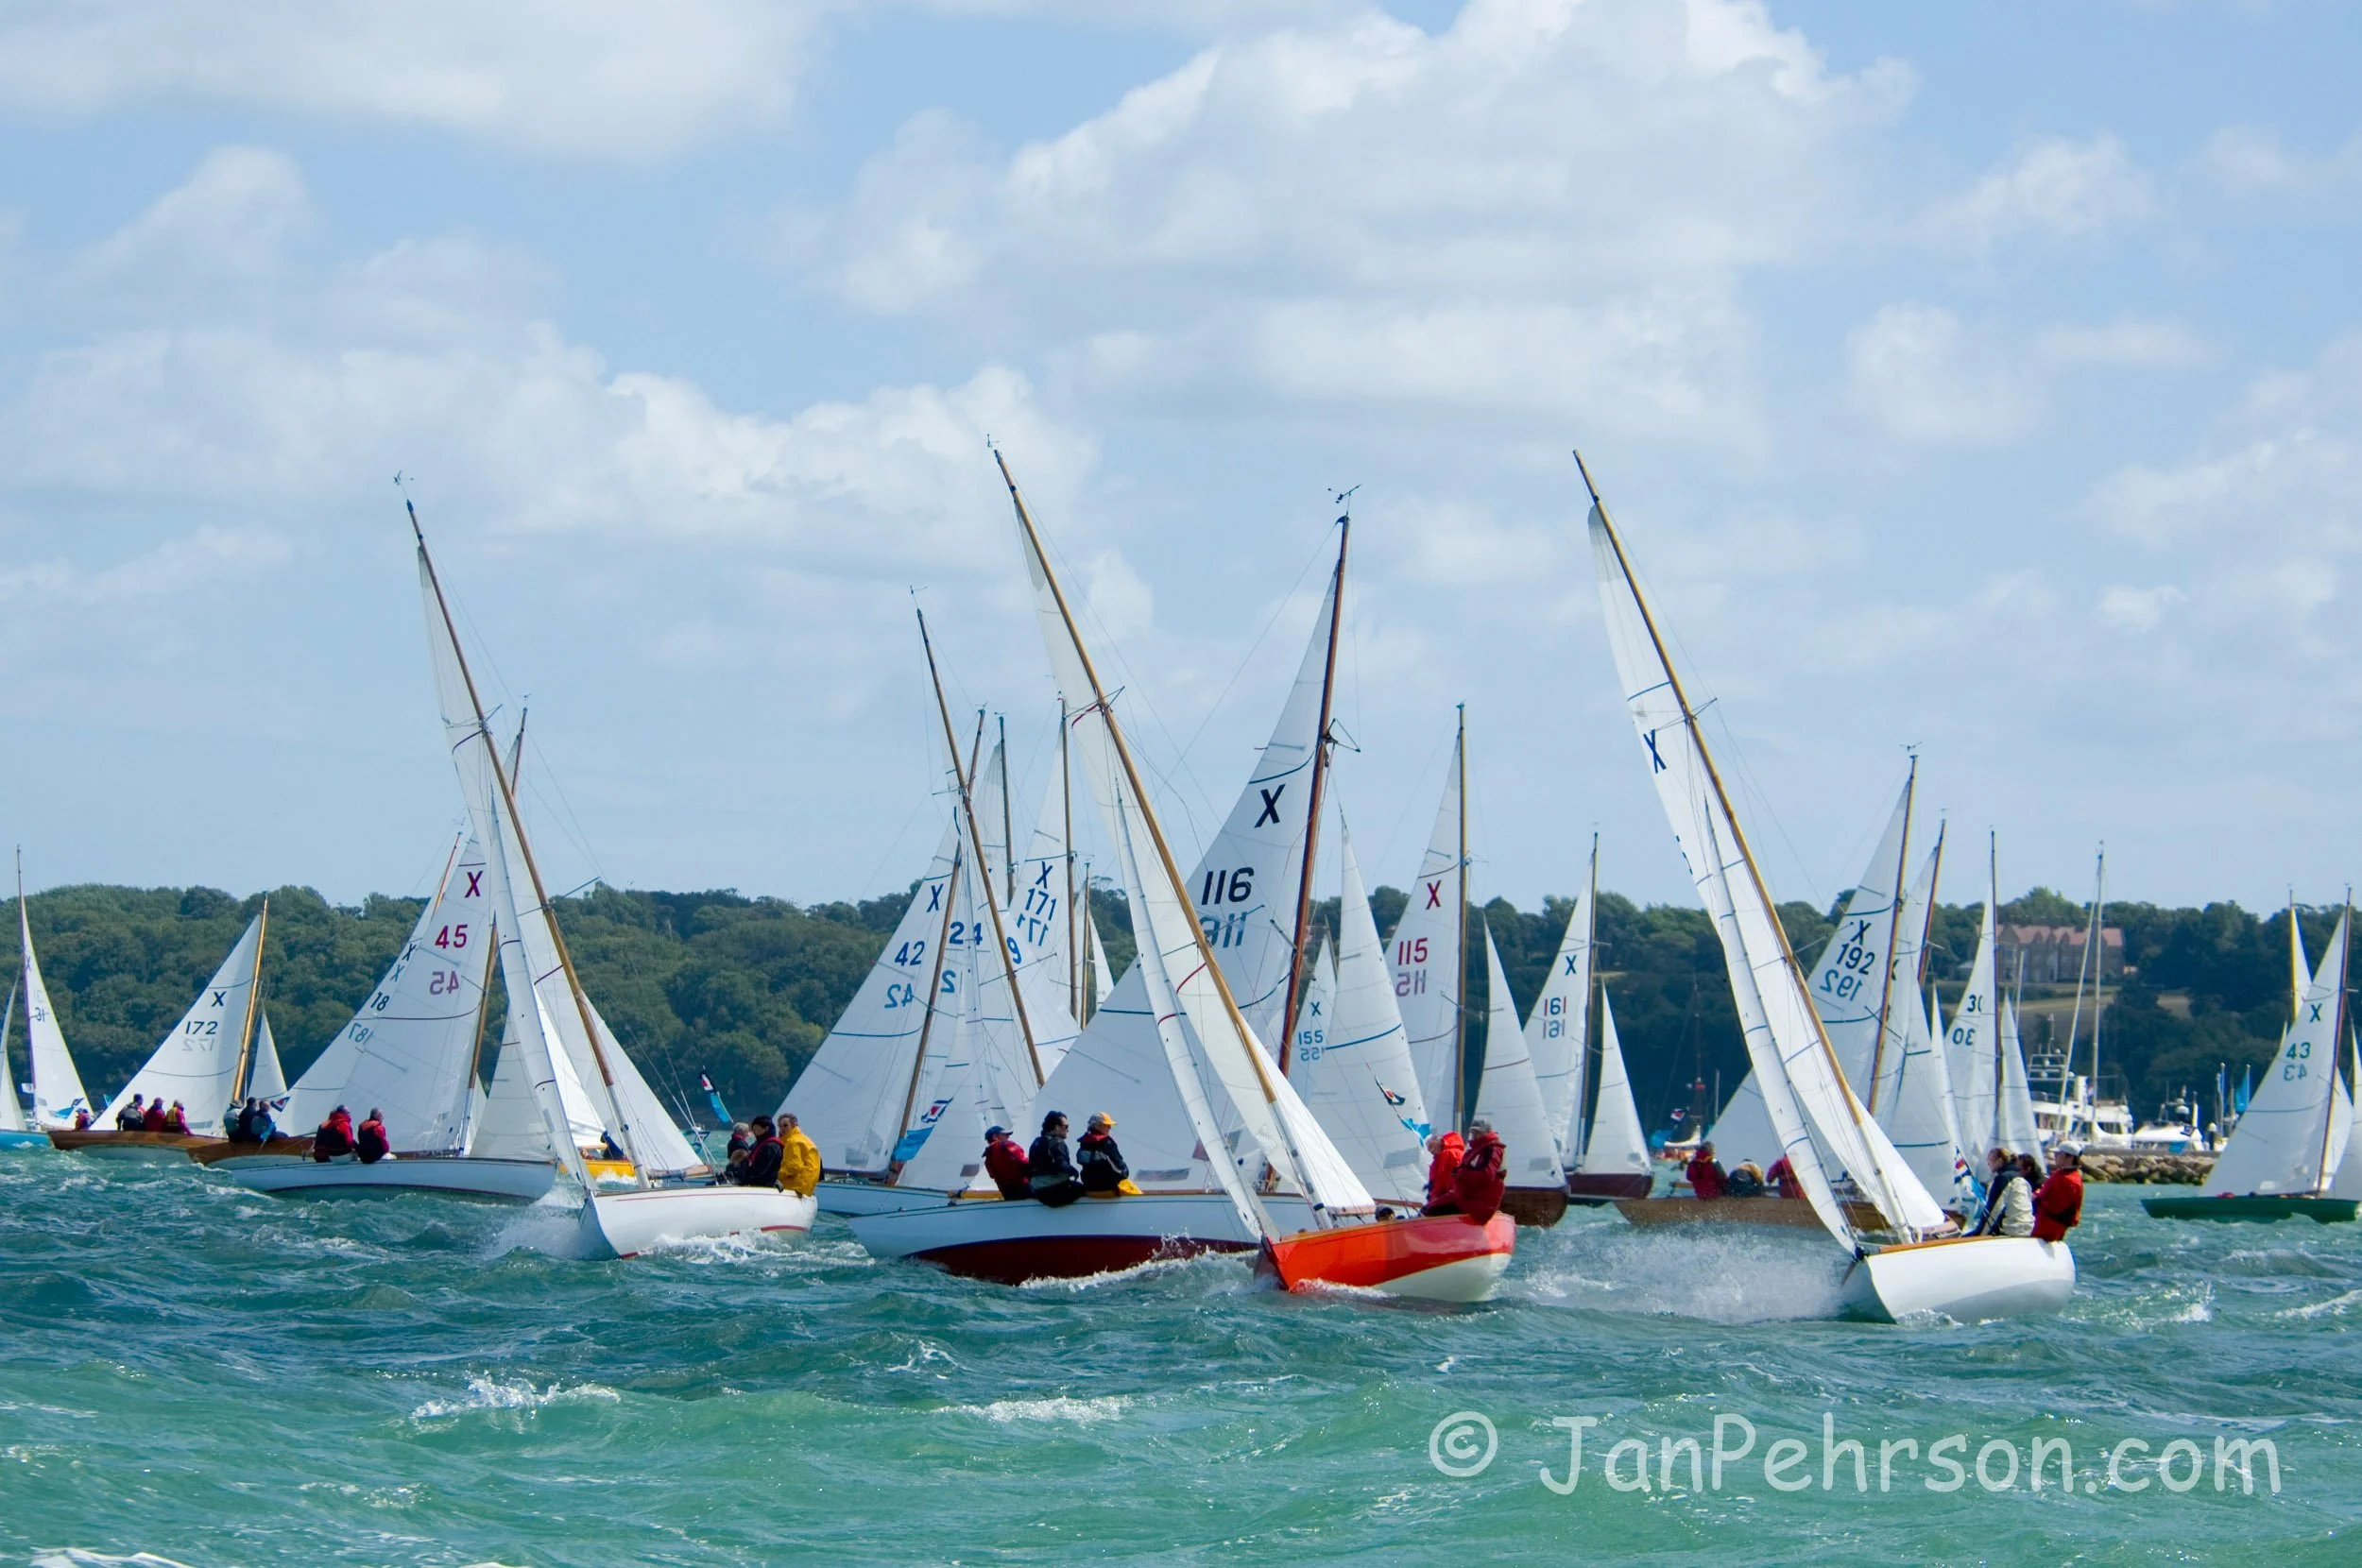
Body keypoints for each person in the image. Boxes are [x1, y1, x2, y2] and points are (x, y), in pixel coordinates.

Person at [1450, 1118, 1508, 1223]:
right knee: (1432, 1207)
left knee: (1433, 1209)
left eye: (1478, 1132)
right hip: (1469, 1200)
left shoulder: (1492, 1150)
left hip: (1480, 1205)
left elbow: (1486, 1175)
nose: (1474, 1135)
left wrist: (1461, 1174)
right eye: (1473, 1132)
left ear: (1487, 1133)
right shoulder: (1475, 1151)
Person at [1028, 1112, 1087, 1207]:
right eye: (1066, 1126)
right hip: (1053, 1193)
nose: (1068, 1130)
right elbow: (1061, 1163)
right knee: (1083, 1189)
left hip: (1037, 1191)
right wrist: (1073, 1171)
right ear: (1056, 1127)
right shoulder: (1057, 1142)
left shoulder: (1037, 1142)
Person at [2033, 1147, 2085, 1242]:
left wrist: (2037, 1199)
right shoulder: (2061, 1174)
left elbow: (2057, 1207)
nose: (2055, 1156)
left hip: (2049, 1227)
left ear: (2069, 1158)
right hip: (2043, 1222)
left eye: (2058, 1154)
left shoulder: (2070, 1180)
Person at [1965, 1148, 2017, 1236]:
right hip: (2020, 1225)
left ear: (1999, 1161)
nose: (1988, 1164)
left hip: (2006, 1229)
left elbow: (1993, 1209)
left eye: (1990, 1160)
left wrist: (1979, 1232)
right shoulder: (2017, 1174)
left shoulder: (2002, 1179)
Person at [1077, 1113, 1132, 1196]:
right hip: (1108, 1188)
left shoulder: (1084, 1142)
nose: (1110, 1127)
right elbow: (1120, 1165)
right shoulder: (1107, 1141)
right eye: (1107, 1125)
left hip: (1089, 1188)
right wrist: (1124, 1174)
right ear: (1097, 1126)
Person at [983, 1124, 1031, 1200]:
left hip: (1006, 1191)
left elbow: (992, 1175)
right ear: (995, 1137)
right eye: (1004, 1135)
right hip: (1022, 1187)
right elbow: (1023, 1161)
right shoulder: (1006, 1145)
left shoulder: (988, 1155)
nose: (1008, 1137)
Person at [778, 1113, 820, 1198]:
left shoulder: (793, 1141)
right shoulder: (803, 1138)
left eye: (785, 1125)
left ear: (794, 1125)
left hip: (796, 1186)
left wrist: (776, 1175)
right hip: (805, 1187)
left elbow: (793, 1166)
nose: (782, 1129)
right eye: (780, 1126)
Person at [1424, 1129, 1467, 1210]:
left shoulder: (1448, 1154)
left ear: (1439, 1141)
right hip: (1451, 1196)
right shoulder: (1439, 1159)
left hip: (1454, 1198)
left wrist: (1433, 1200)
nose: (1431, 1151)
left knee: (1430, 1210)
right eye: (1429, 1150)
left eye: (1432, 1146)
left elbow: (1443, 1180)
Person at [736, 1116, 785, 1187]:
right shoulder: (759, 1143)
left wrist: (745, 1174)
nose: (754, 1132)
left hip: (764, 1185)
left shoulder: (771, 1146)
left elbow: (760, 1169)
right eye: (753, 1129)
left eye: (756, 1129)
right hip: (754, 1183)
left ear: (766, 1129)